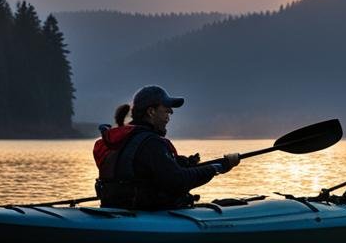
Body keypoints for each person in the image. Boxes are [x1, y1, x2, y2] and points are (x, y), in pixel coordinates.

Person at [93, 85, 240, 210]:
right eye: (166, 109)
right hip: (142, 212)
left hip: (117, 207)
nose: (171, 112)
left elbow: (149, 170)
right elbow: (177, 181)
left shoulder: (127, 138)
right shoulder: (151, 143)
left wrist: (182, 163)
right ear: (151, 112)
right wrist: (218, 167)